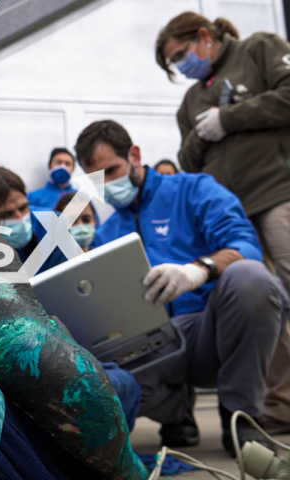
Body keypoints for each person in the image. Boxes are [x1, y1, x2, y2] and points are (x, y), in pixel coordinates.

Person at [75, 120, 289, 457]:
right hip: (153, 344)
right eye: (98, 179)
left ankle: (241, 415)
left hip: (210, 331)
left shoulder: (195, 190)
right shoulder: (107, 233)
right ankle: (176, 411)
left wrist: (198, 270)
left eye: (113, 169)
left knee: (252, 279)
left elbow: (247, 248)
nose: (110, 183)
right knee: (103, 377)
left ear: (134, 154)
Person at [156, 12, 290, 434]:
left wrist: (230, 117)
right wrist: (204, 130)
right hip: (230, 215)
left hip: (277, 194)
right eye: (174, 64)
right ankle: (278, 405)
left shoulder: (261, 48)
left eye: (182, 54)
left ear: (203, 36)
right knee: (264, 304)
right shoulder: (191, 100)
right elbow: (188, 161)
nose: (183, 66)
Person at [0, 166, 64, 273]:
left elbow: (61, 280)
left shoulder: (54, 224)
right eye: (6, 214)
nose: (20, 218)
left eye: (23, 208)